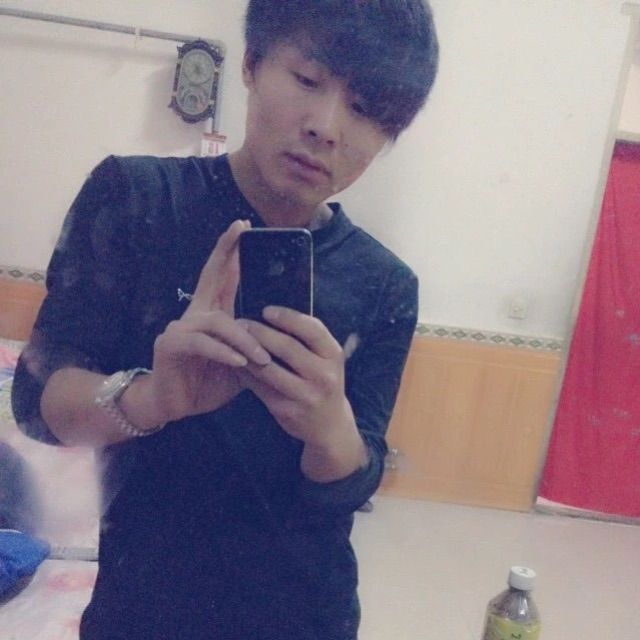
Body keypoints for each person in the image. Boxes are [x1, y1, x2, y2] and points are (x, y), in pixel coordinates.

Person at [11, 1, 439, 638]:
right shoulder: (135, 197)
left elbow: (355, 477)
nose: (326, 127)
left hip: (306, 616)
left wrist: (330, 431)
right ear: (251, 63)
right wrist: (152, 398)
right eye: (307, 79)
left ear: (389, 135)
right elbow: (37, 403)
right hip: (144, 608)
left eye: (365, 110)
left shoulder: (386, 284)